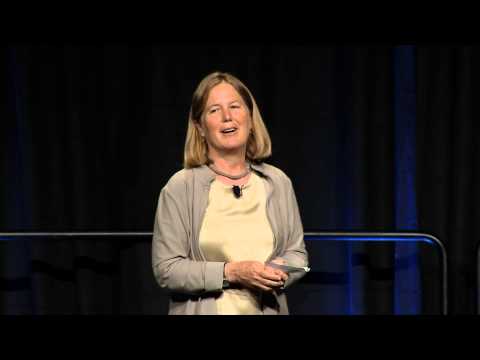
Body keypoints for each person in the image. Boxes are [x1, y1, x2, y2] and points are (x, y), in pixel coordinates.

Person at [152, 71, 308, 315]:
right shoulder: (180, 186)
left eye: (235, 107)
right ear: (200, 127)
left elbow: (298, 257)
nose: (227, 117)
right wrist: (232, 272)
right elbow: (167, 270)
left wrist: (274, 271)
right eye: (214, 110)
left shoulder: (278, 182)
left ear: (249, 116)